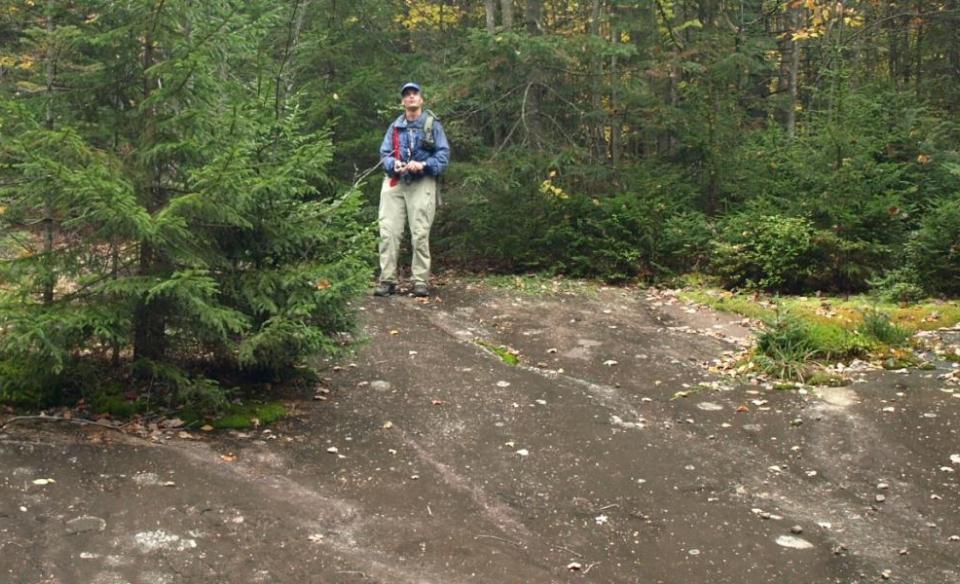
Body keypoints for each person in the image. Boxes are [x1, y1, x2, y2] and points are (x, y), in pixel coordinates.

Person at [374, 82, 450, 298]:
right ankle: (387, 280)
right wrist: (393, 165)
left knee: (420, 232)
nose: (410, 97)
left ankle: (420, 281)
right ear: (402, 101)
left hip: (422, 181)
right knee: (388, 232)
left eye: (414, 94)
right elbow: (385, 154)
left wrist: (424, 165)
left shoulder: (433, 125)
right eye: (406, 95)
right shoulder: (395, 127)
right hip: (395, 181)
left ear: (421, 99)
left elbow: (443, 156)